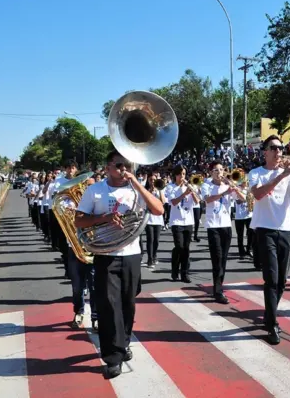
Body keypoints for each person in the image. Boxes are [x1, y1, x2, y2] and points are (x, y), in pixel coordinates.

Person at [75, 149, 164, 379]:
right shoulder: (95, 191)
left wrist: (136, 181)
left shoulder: (136, 188)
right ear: (108, 167)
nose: (124, 169)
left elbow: (159, 209)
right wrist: (104, 219)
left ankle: (123, 343)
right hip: (106, 254)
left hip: (132, 254)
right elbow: (79, 220)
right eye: (119, 165)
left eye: (127, 165)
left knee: (128, 304)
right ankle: (112, 357)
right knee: (108, 306)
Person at [249, 135, 290, 345]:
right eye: (273, 148)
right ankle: (272, 323)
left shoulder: (289, 174)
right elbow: (258, 194)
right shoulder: (256, 173)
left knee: (282, 281)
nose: (278, 152)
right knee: (272, 279)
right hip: (265, 229)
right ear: (264, 151)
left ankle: (269, 313)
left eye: (281, 148)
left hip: (284, 230)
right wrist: (281, 175)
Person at [202, 161, 243, 304]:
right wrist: (225, 192)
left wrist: (235, 189)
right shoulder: (206, 185)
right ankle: (218, 291)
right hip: (213, 225)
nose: (220, 172)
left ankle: (219, 286)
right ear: (211, 173)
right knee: (217, 258)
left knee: (223, 259)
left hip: (226, 225)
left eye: (221, 169)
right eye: (216, 170)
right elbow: (208, 199)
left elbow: (242, 200)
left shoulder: (228, 185)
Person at [165, 165, 200, 282]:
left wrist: (192, 191)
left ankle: (185, 273)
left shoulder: (189, 187)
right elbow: (173, 202)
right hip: (176, 221)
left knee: (186, 248)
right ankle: (175, 270)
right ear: (175, 175)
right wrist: (184, 194)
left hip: (188, 221)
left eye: (184, 174)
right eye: (180, 174)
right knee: (179, 247)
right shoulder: (170, 187)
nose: (182, 176)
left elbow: (197, 201)